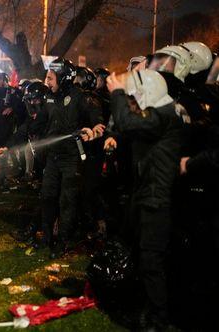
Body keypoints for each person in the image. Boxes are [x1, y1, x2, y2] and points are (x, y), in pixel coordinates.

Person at [107, 69, 183, 330]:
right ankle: (145, 310)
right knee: (141, 256)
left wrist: (116, 92)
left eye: (133, 98)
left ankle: (159, 319)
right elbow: (127, 128)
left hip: (155, 200)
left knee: (152, 261)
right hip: (146, 196)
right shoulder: (161, 115)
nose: (131, 104)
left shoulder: (162, 117)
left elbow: (128, 123)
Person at [41, 58, 104, 258]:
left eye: (50, 78)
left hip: (72, 158)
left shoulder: (81, 97)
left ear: (63, 77)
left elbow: (98, 123)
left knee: (67, 201)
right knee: (48, 196)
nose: (47, 82)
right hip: (52, 157)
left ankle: (63, 241)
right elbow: (39, 123)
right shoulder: (49, 97)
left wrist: (94, 130)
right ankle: (47, 236)